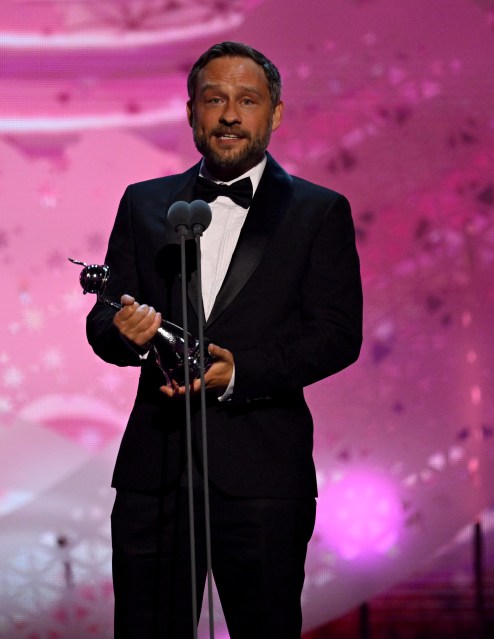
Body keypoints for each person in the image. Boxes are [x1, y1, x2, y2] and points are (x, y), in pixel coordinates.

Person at [85, 41, 363, 639]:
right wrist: (126, 335)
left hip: (263, 476)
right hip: (155, 473)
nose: (230, 115)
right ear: (191, 113)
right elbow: (105, 318)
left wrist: (243, 372)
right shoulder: (144, 203)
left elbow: (337, 335)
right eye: (214, 100)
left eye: (247, 100)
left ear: (276, 114)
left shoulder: (319, 212)